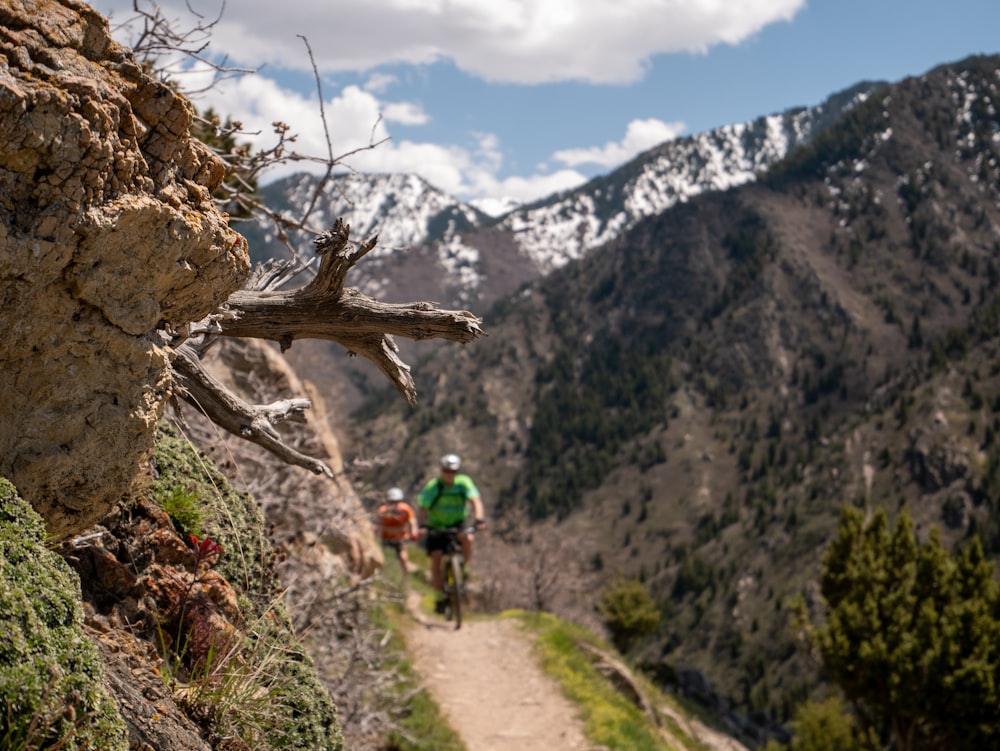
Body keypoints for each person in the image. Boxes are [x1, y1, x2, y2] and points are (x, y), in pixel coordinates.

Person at [417, 454, 486, 612]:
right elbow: (422, 508)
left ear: (458, 471)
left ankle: (463, 568)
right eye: (447, 471)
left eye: (453, 471)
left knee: (467, 538)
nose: (450, 474)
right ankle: (439, 597)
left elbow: (476, 501)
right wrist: (423, 525)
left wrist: (479, 519)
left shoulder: (464, 483)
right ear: (441, 471)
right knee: (436, 561)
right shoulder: (433, 487)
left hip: (457, 524)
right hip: (437, 527)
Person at [376, 486, 418, 576]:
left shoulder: (406, 509)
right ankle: (376, 574)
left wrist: (414, 533)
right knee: (378, 556)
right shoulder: (382, 511)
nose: (394, 504)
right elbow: (378, 524)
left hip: (400, 538)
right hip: (386, 538)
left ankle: (406, 577)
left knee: (403, 557)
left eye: (396, 502)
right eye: (392, 502)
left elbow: (412, 522)